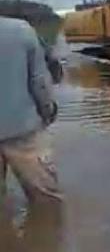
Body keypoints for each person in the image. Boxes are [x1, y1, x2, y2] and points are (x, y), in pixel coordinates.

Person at [0, 16, 60, 203]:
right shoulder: (21, 30)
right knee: (47, 202)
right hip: (23, 129)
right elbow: (39, 82)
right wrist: (47, 110)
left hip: (21, 127)